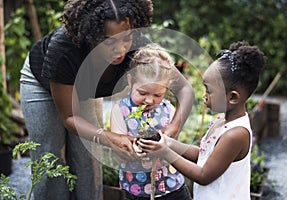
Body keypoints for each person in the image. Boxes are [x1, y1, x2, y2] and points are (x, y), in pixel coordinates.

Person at [19, 0, 194, 199]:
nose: (120, 49)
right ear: (90, 36)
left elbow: (185, 90)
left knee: (88, 161)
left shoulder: (139, 46)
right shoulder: (64, 49)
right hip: (42, 86)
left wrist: (169, 134)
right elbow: (69, 117)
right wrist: (113, 138)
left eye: (125, 38)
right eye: (108, 41)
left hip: (85, 91)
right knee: (49, 159)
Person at [136, 41, 266, 199]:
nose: (204, 96)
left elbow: (204, 175)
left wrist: (165, 152)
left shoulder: (235, 134)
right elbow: (203, 155)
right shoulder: (222, 121)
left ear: (232, 97)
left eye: (209, 90)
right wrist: (168, 142)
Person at [110, 43, 192, 200]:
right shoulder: (121, 110)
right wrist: (132, 150)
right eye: (142, 93)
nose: (149, 100)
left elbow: (174, 145)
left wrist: (164, 144)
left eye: (158, 95)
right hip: (137, 189)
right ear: (130, 81)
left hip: (172, 186)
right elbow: (119, 149)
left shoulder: (168, 110)